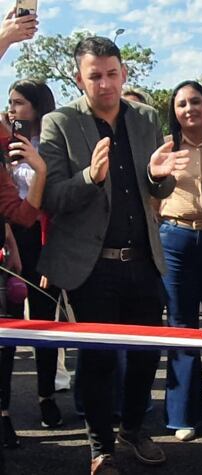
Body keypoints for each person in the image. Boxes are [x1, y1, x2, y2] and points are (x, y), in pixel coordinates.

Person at [38, 36, 189, 475]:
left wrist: (159, 178)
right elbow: (50, 198)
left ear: (124, 73)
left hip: (143, 258)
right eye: (94, 76)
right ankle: (101, 447)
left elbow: (154, 188)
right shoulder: (59, 123)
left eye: (111, 74)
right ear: (78, 77)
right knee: (99, 359)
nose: (105, 84)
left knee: (145, 355)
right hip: (93, 266)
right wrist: (90, 175)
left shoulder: (143, 117)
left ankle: (134, 429)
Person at [159, 81, 202, 442]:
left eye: (196, 101)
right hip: (177, 238)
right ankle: (182, 415)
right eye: (182, 103)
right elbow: (151, 189)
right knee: (182, 324)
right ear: (174, 111)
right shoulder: (167, 148)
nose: (189, 109)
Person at [0, 80, 62, 437]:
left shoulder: (54, 145)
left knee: (43, 322)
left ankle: (46, 396)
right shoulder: (5, 145)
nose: (12, 109)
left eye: (19, 103)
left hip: (43, 237)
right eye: (9, 102)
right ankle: (4, 409)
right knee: (8, 323)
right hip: (10, 235)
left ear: (38, 107)